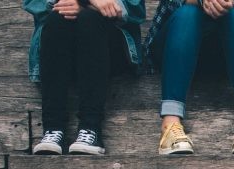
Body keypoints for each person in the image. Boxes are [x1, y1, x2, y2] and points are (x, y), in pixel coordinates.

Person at [24, 0, 146, 155]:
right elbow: (34, 3)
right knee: (58, 17)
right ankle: (53, 128)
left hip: (107, 47)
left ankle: (90, 128)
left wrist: (88, 7)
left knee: (89, 18)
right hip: (62, 41)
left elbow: (136, 10)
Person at [144, 0, 234, 155]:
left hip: (219, 50)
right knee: (188, 13)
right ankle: (170, 124)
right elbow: (171, 4)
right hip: (174, 45)